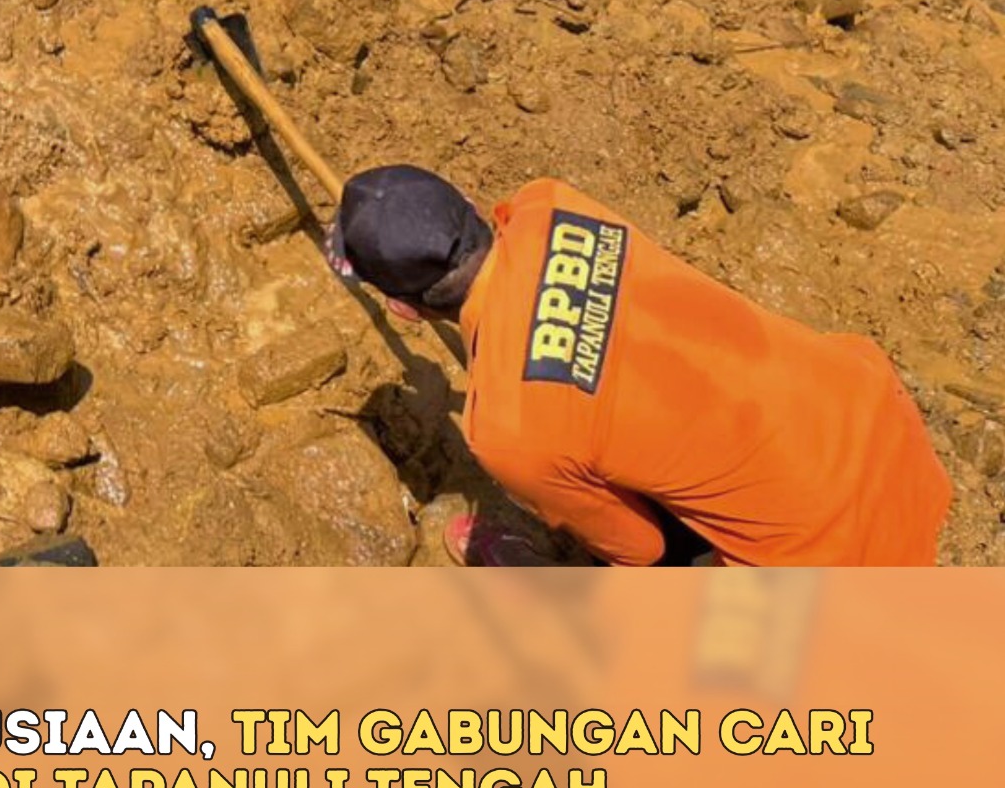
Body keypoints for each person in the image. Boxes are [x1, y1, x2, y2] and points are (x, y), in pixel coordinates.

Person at [326, 163, 952, 567]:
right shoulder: (549, 204)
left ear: (403, 311)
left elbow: (642, 548)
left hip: (827, 555)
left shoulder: (506, 432)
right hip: (875, 422)